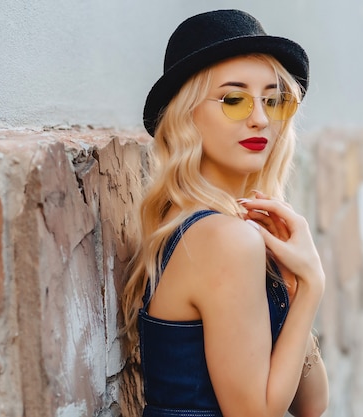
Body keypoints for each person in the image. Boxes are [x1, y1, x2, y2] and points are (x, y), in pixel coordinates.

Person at [121, 9, 328, 417]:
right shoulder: (223, 238)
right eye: (234, 99)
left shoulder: (230, 228)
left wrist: (291, 290)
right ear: (187, 114)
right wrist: (312, 287)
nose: (260, 118)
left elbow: (312, 404)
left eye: (273, 100)